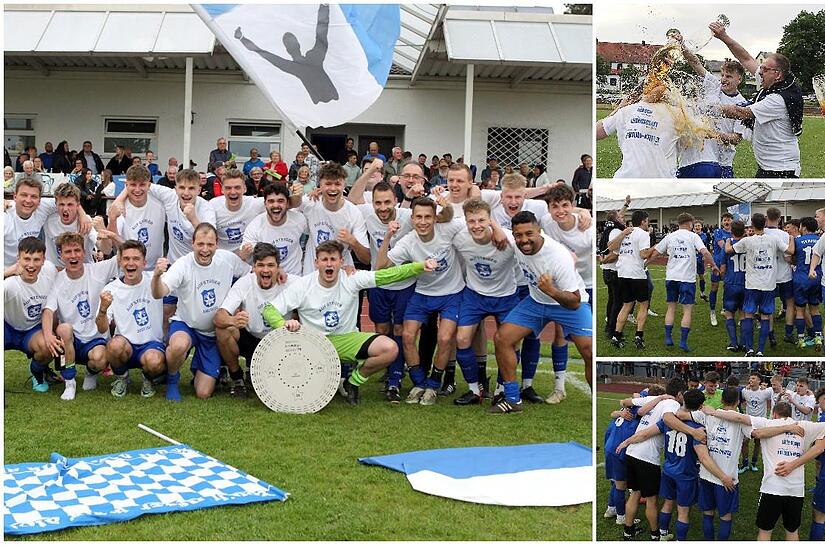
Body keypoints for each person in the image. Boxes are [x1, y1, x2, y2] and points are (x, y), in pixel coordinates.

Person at [263, 240, 436, 405]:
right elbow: (269, 309)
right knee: (310, 396)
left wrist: (419, 266)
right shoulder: (303, 285)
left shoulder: (351, 279)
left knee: (390, 349)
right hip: (313, 344)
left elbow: (387, 275)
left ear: (341, 262)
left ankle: (353, 382)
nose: (329, 264)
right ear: (316, 263)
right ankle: (322, 377)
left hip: (346, 339)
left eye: (333, 259)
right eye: (324, 260)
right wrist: (282, 324)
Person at [492, 211, 592, 412]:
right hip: (537, 302)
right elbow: (483, 220)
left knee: (589, 351)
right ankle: (512, 398)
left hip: (567, 303)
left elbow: (574, 301)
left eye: (529, 234)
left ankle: (596, 400)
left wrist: (551, 290)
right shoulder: (515, 241)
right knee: (502, 338)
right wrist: (494, 229)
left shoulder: (558, 256)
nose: (524, 240)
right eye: (518, 235)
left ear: (540, 231)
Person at [378, 197, 464, 406]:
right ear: (412, 218)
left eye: (428, 217)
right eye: (418, 217)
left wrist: (449, 206)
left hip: (452, 293)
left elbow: (472, 220)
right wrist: (389, 235)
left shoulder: (449, 229)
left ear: (436, 218)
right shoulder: (408, 240)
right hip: (423, 292)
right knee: (407, 335)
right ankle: (418, 382)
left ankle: (434, 384)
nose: (423, 222)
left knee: (444, 338)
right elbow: (381, 266)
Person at [151, 223, 250, 401]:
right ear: (193, 244)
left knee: (203, 393)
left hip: (212, 332)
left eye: (210, 245)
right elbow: (159, 293)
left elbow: (250, 275)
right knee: (179, 346)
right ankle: (173, 379)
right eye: (201, 244)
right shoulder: (182, 264)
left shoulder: (228, 259)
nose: (205, 249)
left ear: (217, 244)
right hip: (186, 324)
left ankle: (201, 366)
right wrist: (157, 275)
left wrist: (238, 301)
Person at [705, 400, 825, 541]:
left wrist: (713, 412)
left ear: (773, 414)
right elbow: (820, 446)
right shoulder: (806, 426)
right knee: (792, 531)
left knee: (765, 531)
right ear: (790, 414)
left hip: (772, 488)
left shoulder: (767, 423)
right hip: (796, 490)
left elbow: (738, 417)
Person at [617, 389, 714, 541]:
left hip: (667, 469)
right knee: (681, 510)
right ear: (700, 406)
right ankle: (665, 537)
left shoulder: (667, 420)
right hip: (684, 473)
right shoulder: (698, 427)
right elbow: (703, 457)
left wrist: (626, 442)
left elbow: (645, 432)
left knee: (661, 501)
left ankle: (655, 532)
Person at [450, 199, 520, 405]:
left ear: (491, 220)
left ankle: (501, 388)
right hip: (474, 295)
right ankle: (475, 390)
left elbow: (536, 245)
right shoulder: (460, 238)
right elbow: (440, 222)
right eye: (471, 221)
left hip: (505, 296)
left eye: (481, 220)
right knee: (462, 339)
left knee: (509, 342)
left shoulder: (507, 240)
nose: (476, 225)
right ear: (465, 221)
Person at [711, 23, 803, 178]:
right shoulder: (771, 83)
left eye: (764, 69)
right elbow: (746, 58)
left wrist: (706, 107)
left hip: (782, 169)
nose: (760, 72)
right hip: (768, 166)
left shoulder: (778, 99)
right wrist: (724, 37)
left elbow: (741, 113)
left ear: (778, 74)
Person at [353, 181, 413, 402]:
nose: (383, 207)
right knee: (381, 328)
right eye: (378, 202)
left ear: (396, 201)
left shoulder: (407, 215)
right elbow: (352, 197)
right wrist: (369, 172)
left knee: (399, 329)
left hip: (404, 283)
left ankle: (395, 378)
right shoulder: (367, 213)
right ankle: (389, 365)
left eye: (387, 202)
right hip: (377, 282)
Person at [42, 232, 119, 400]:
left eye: (77, 250)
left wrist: (113, 235)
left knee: (99, 359)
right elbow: (48, 311)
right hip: (71, 341)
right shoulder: (59, 280)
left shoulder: (97, 270)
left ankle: (91, 373)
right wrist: (48, 335)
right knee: (64, 328)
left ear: (84, 252)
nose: (73, 255)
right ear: (61, 255)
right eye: (68, 252)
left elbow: (124, 255)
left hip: (95, 337)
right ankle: (70, 382)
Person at [215, 243, 294, 398]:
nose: (265, 270)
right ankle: (237, 379)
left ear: (279, 267)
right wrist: (233, 320)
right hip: (252, 338)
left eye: (271, 265)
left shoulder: (292, 282)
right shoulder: (245, 283)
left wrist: (346, 271)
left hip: (280, 343)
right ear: (254, 267)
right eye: (261, 265)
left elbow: (316, 284)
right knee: (223, 329)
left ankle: (261, 370)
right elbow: (219, 316)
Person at [97, 240, 165, 398]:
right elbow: (101, 329)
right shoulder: (111, 289)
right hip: (125, 345)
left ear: (144, 262)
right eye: (126, 258)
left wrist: (160, 271)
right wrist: (103, 309)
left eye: (136, 259)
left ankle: (148, 379)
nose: (130, 263)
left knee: (154, 361)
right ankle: (122, 377)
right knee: (114, 345)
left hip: (151, 344)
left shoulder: (155, 280)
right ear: (120, 261)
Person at [645, 212, 718, 351]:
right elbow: (706, 252)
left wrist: (644, 264)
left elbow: (656, 253)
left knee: (671, 308)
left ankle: (668, 337)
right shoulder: (693, 236)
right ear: (690, 223)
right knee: (687, 310)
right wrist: (713, 265)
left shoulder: (670, 236)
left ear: (678, 223)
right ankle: (683, 342)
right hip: (687, 279)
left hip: (672, 277)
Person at [725, 212, 793, 357]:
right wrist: (791, 238)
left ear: (752, 225)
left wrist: (728, 242)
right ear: (765, 223)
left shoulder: (747, 241)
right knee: (765, 317)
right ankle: (760, 350)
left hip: (751, 285)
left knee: (748, 315)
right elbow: (791, 250)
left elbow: (729, 250)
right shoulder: (774, 240)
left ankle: (749, 349)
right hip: (768, 285)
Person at [4, 237, 60, 393]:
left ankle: (37, 373)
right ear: (18, 259)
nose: (31, 265)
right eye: (26, 259)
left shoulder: (49, 271)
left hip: (32, 330)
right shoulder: (9, 285)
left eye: (36, 260)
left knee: (48, 347)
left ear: (44, 260)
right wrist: (6, 273)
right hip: (7, 327)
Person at [297, 162, 369, 275]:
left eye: (337, 184)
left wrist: (353, 242)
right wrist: (296, 196)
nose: (333, 188)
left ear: (344, 185)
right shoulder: (310, 202)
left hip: (341, 276)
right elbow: (283, 207)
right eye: (328, 184)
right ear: (320, 185)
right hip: (312, 276)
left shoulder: (354, 213)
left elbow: (366, 259)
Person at [108, 165, 167, 270]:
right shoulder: (120, 207)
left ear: (149, 185)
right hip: (128, 270)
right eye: (133, 185)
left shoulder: (160, 203)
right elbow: (112, 243)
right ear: (126, 185)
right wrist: (112, 220)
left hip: (155, 269)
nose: (137, 189)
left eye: (142, 185)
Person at [608, 210, 651, 349]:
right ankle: (639, 336)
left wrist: (622, 234)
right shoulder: (643, 234)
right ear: (643, 221)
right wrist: (657, 249)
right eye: (647, 220)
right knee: (643, 304)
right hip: (637, 274)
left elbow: (611, 248)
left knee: (626, 305)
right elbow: (643, 254)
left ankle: (616, 336)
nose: (648, 223)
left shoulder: (625, 233)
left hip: (622, 273)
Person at [243, 183, 308, 276]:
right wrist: (244, 254)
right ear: (265, 204)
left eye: (280, 201)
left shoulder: (299, 219)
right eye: (271, 201)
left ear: (288, 203)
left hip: (294, 278)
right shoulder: (255, 226)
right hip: (269, 279)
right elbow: (245, 257)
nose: (275, 205)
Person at [208, 169, 265, 255]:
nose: (233, 192)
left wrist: (293, 190)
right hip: (222, 259)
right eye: (228, 188)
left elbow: (285, 202)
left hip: (248, 262)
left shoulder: (254, 203)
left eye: (237, 187)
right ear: (222, 190)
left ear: (245, 189)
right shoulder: (213, 205)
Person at [793, 217, 822, 348]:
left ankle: (801, 339)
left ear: (803, 227)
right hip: (816, 277)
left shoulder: (797, 240)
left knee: (800, 309)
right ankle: (818, 337)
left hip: (801, 277)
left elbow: (791, 257)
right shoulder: (821, 239)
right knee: (815, 309)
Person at [740, 372, 773, 473]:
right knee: (744, 442)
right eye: (750, 378)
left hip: (760, 422)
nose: (751, 380)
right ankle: (745, 464)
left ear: (759, 381)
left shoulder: (766, 391)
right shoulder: (745, 391)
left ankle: (754, 463)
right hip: (748, 421)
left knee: (757, 443)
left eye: (754, 378)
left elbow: (777, 390)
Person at [709, 213, 734, 326]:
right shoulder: (718, 232)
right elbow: (723, 246)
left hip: (730, 265)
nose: (726, 222)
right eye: (724, 220)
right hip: (718, 264)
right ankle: (712, 312)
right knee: (714, 287)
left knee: (728, 287)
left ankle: (724, 308)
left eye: (728, 220)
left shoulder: (735, 233)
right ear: (722, 222)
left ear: (732, 221)